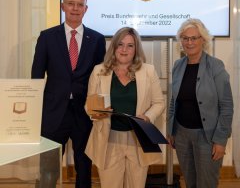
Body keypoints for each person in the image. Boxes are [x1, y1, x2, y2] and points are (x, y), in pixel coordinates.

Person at [31, 0, 106, 188]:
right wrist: (34, 113)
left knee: (84, 167)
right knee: (48, 169)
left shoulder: (97, 39)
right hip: (53, 113)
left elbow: (101, 79)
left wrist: (100, 111)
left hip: (85, 113)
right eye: (71, 3)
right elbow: (36, 76)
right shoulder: (47, 37)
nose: (75, 8)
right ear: (62, 6)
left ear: (86, 9)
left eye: (80, 4)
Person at [84, 27, 165, 188]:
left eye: (130, 45)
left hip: (138, 138)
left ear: (136, 49)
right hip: (108, 138)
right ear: (113, 47)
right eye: (120, 44)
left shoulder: (148, 71)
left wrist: (148, 116)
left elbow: (159, 103)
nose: (124, 49)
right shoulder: (99, 71)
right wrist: (95, 113)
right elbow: (88, 104)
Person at [167, 18, 233, 188]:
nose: (189, 42)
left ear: (203, 40)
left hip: (208, 138)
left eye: (194, 38)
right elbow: (174, 101)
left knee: (206, 183)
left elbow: (226, 107)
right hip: (182, 135)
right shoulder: (178, 65)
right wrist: (171, 131)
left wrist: (220, 140)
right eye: (185, 38)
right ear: (181, 40)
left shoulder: (216, 67)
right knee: (190, 183)